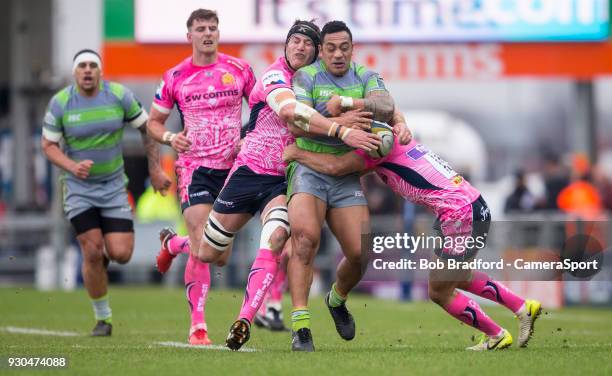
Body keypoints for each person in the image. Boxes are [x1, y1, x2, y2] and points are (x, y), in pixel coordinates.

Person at [190, 20, 380, 351]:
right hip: (249, 172)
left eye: (308, 43)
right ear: (286, 45)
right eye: (295, 41)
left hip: (285, 177)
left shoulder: (322, 81)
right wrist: (340, 128)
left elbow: (372, 103)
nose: (301, 47)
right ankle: (176, 244)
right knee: (209, 252)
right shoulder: (274, 76)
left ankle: (245, 320)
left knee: (279, 239)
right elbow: (292, 113)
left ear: (316, 50)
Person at [283, 136, 543, 351]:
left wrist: (297, 153)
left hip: (459, 213)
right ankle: (522, 307)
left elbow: (337, 168)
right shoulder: (390, 136)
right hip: (471, 206)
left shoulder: (377, 143)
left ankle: (496, 334)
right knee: (456, 277)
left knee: (439, 291)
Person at [285, 20, 411, 351]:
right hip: (309, 168)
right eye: (331, 48)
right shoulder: (306, 77)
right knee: (304, 241)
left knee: (359, 253)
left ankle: (337, 299)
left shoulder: (366, 76)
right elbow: (298, 124)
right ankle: (301, 328)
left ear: (352, 49)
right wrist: (339, 125)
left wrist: (349, 105)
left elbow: (386, 105)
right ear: (320, 51)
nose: (338, 54)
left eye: (344, 47)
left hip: (345, 176)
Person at [41, 49, 171, 336]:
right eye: (82, 66)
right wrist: (72, 166)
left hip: (113, 187)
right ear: (75, 73)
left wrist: (155, 169)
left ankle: (100, 255)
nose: (87, 70)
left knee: (121, 254)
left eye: (92, 66)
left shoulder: (119, 96)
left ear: (100, 71)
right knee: (91, 250)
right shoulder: (61, 103)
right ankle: (103, 318)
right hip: (78, 189)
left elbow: (147, 129)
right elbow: (48, 145)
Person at [146, 9, 256, 345]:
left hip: (232, 171)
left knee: (216, 253)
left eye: (212, 28)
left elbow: (264, 110)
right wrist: (169, 139)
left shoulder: (238, 69)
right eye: (201, 29)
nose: (208, 33)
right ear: (189, 35)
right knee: (200, 243)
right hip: (195, 170)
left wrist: (247, 137)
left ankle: (172, 244)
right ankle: (198, 325)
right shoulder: (176, 76)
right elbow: (153, 123)